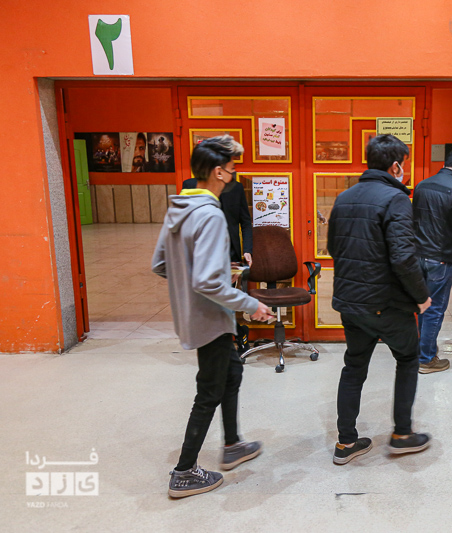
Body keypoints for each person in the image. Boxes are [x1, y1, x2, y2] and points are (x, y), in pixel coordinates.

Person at [152, 135, 273, 498]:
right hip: (210, 318)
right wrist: (250, 304)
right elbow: (206, 281)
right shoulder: (210, 214)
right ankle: (184, 472)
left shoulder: (179, 208)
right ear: (218, 172)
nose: (234, 176)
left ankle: (233, 444)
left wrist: (215, 273)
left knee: (232, 372)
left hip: (195, 313)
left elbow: (161, 264)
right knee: (209, 392)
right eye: (232, 169)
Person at [327, 134, 433, 465]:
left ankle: (346, 442)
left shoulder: (344, 197)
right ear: (396, 166)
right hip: (386, 303)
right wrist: (421, 296)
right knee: (408, 358)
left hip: (351, 302)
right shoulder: (395, 199)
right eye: (405, 164)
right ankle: (402, 434)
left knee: (354, 365)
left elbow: (333, 247)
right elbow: (403, 258)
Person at [182, 152, 254, 354]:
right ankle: (235, 334)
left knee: (223, 303)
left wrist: (247, 250)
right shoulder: (189, 186)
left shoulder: (236, 188)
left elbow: (245, 222)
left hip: (229, 256)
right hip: (200, 256)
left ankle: (226, 345)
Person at [413, 148, 452, 373]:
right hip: (440, 259)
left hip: (417, 256)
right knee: (434, 310)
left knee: (422, 306)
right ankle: (426, 359)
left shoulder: (422, 185)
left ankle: (423, 350)